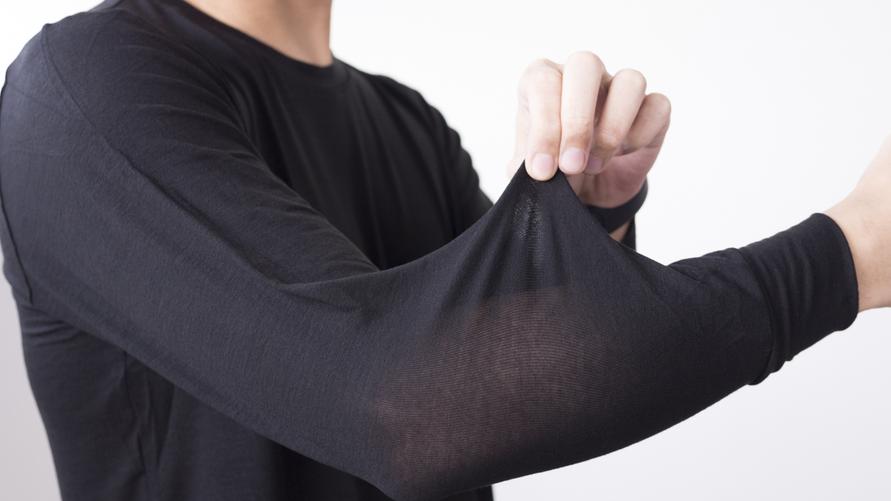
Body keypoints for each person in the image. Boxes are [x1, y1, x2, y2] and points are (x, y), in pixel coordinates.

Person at [0, 0, 887, 500]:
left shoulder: (405, 122)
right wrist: (846, 253)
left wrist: (584, 230)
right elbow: (405, 411)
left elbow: (497, 396)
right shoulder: (85, 87)